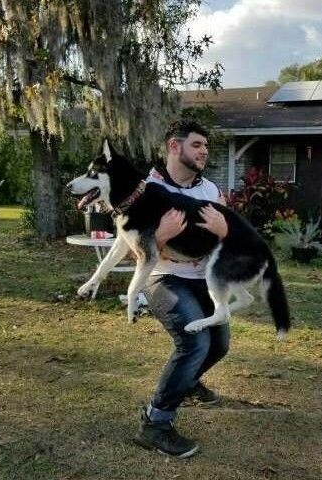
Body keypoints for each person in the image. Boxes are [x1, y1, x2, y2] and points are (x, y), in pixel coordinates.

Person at [134, 120, 229, 458]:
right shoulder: (146, 191)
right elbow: (133, 248)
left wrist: (223, 228)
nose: (204, 151)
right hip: (163, 276)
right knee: (194, 341)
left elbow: (233, 234)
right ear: (175, 147)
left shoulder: (211, 191)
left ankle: (186, 383)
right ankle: (155, 423)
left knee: (219, 343)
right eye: (197, 145)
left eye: (206, 146)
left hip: (206, 278)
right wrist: (160, 235)